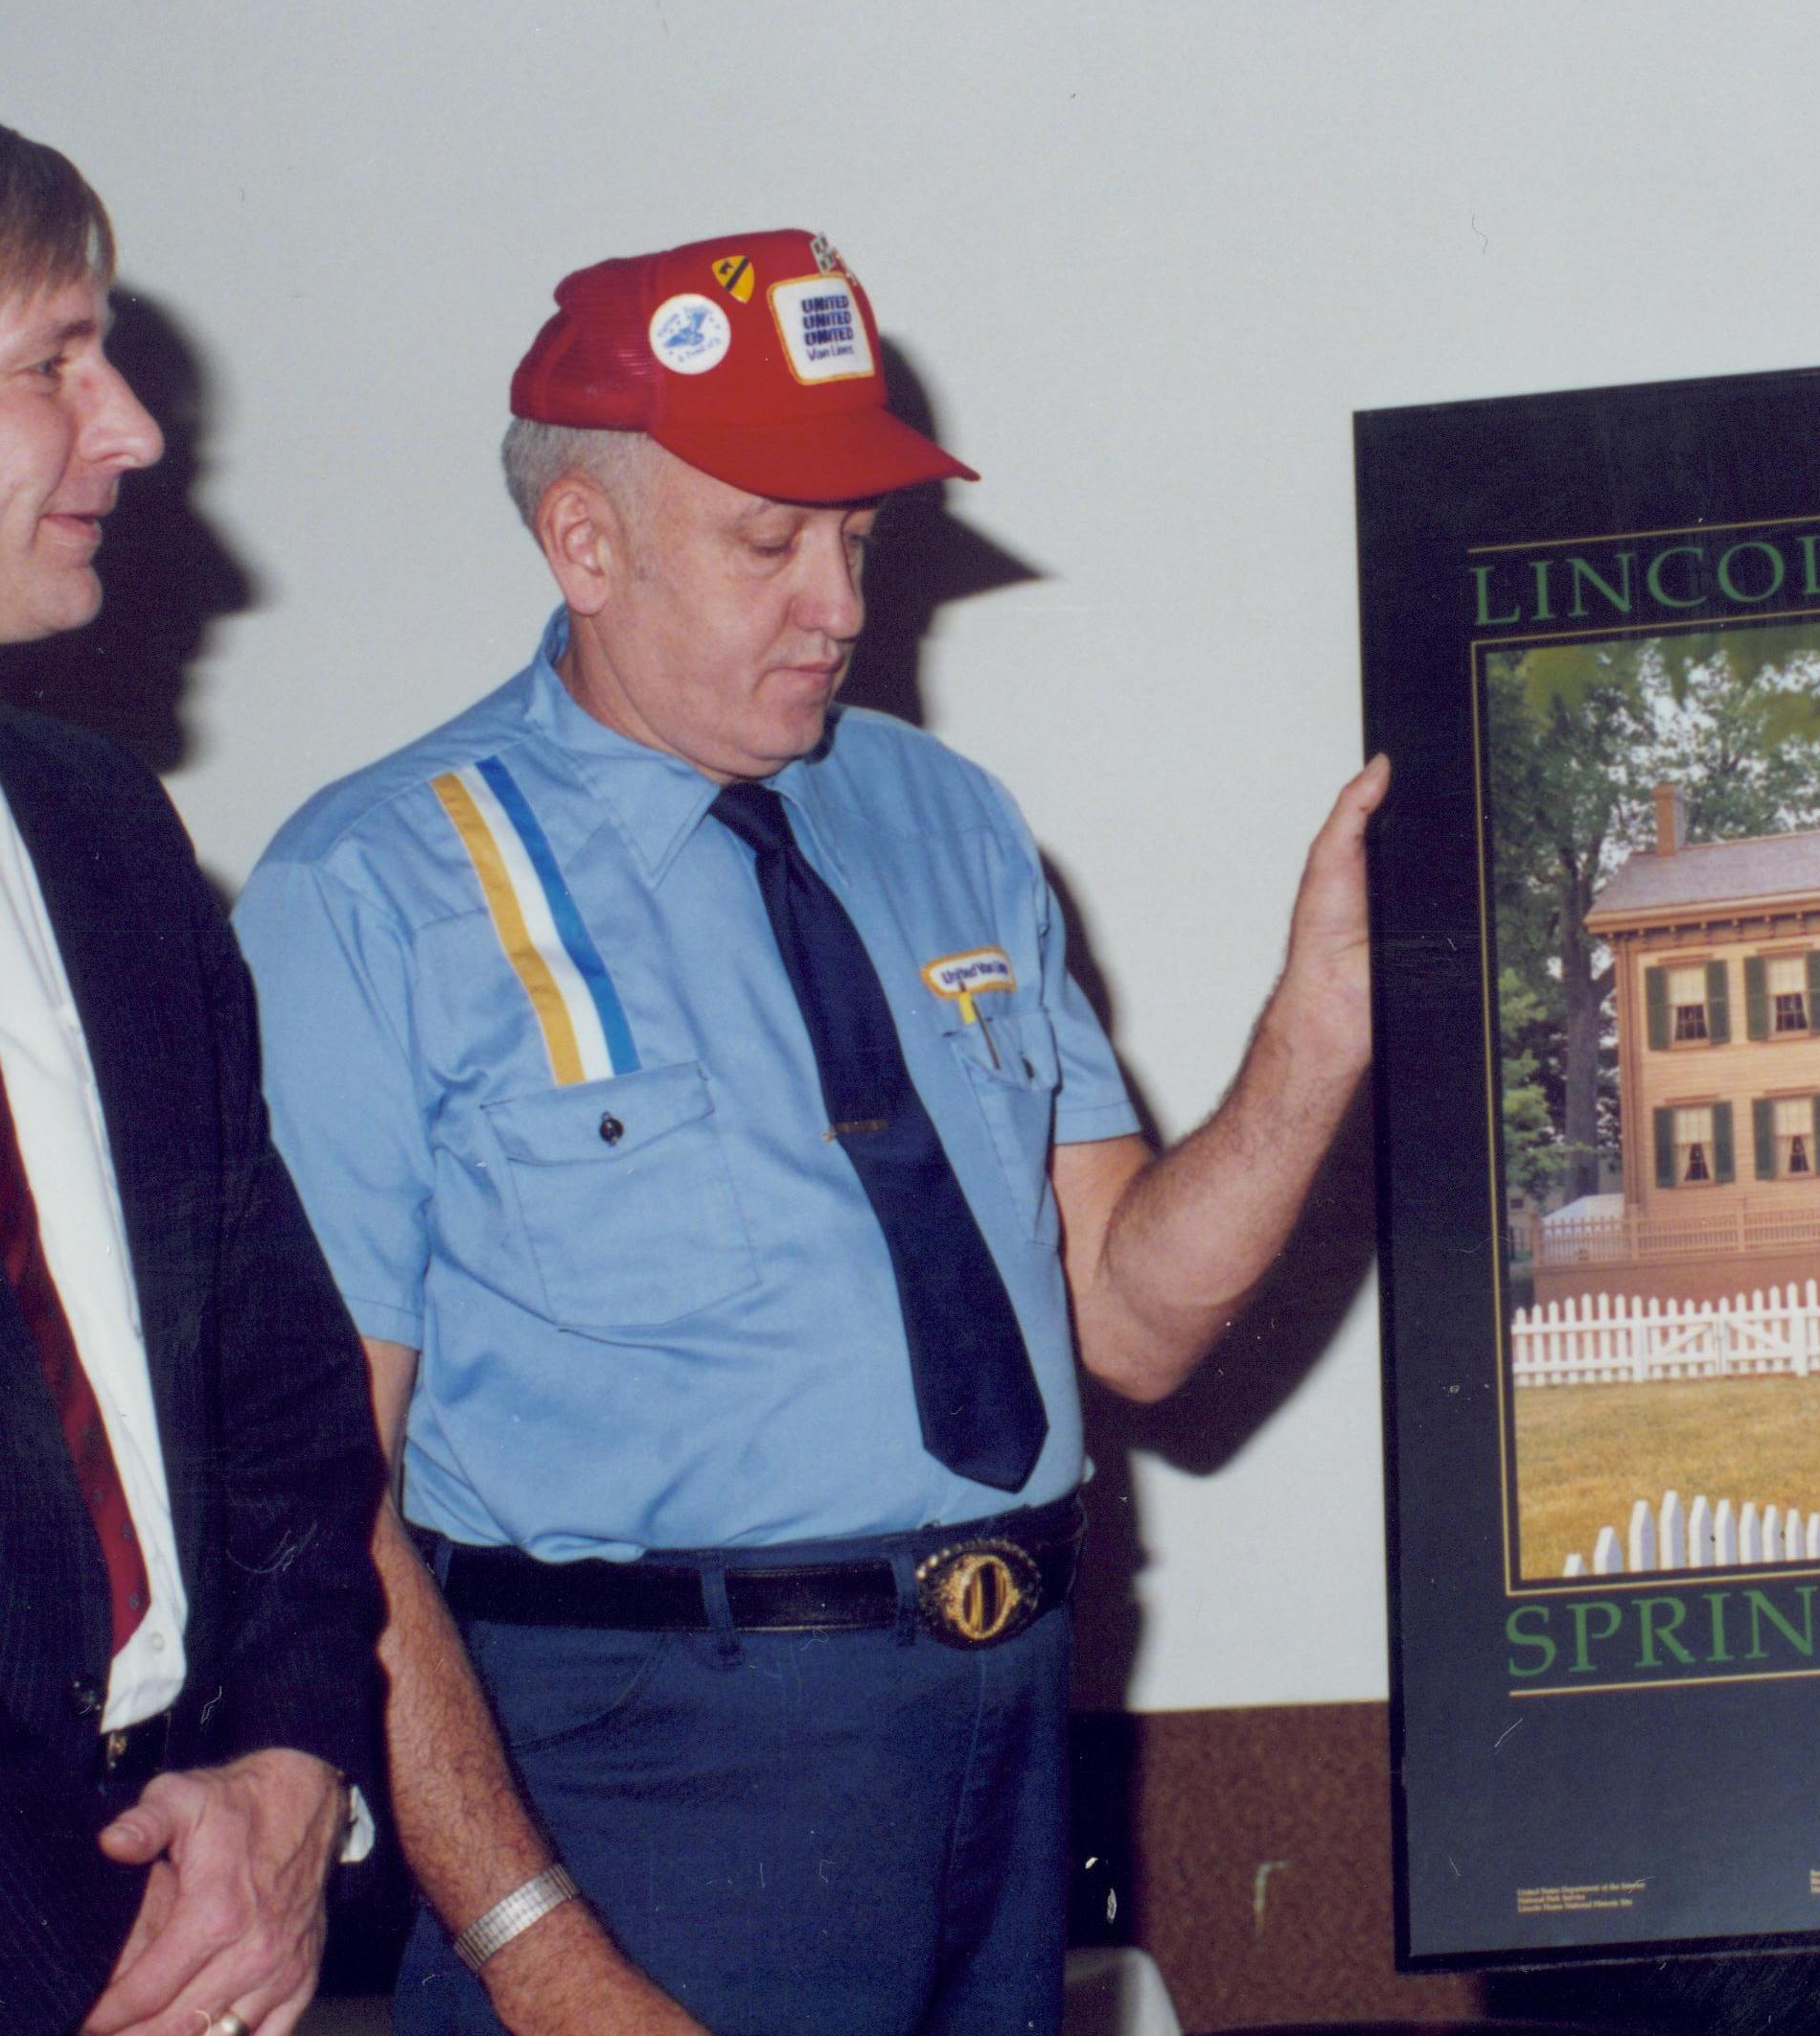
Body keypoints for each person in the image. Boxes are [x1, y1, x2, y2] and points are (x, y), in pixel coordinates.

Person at [234, 228, 1385, 2034]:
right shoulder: (373, 887)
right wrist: (537, 1947)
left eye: (857, 536)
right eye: (769, 541)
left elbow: (1136, 1321)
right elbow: (315, 1502)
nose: (840, 603)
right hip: (641, 1793)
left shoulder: (941, 814)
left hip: (1004, 1755)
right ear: (584, 542)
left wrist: (1312, 1045)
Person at [0, 92, 390, 2036]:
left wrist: (296, 1775)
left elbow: (286, 1395)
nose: (131, 427)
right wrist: (91, 1955)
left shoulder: (101, 828)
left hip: (211, 1901)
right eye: (56, 360)